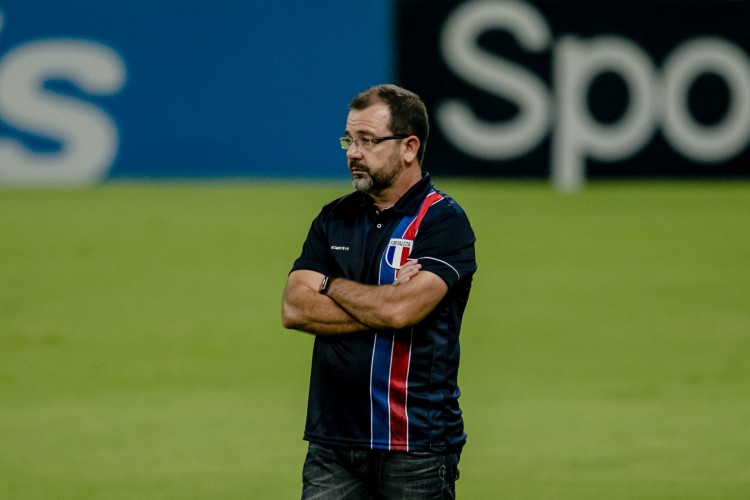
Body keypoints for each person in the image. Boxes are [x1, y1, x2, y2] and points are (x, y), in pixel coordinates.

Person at [281, 84, 477, 499]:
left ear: (409, 147)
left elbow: (400, 312)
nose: (353, 152)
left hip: (415, 444)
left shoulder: (442, 222)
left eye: (368, 140)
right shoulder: (334, 217)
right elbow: (295, 308)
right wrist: (384, 300)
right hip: (333, 442)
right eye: (349, 140)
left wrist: (329, 284)